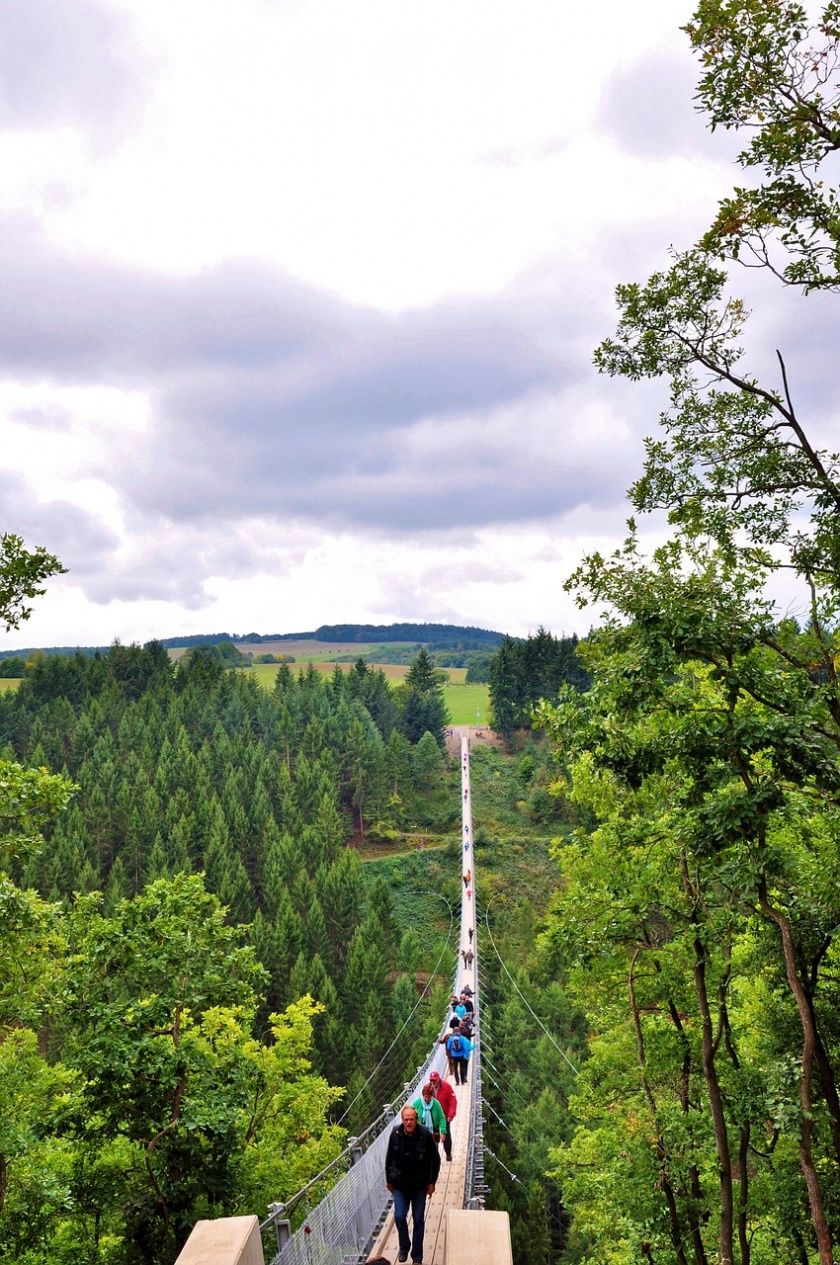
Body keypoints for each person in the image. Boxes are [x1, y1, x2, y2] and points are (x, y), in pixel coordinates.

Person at [385, 1105, 440, 1265]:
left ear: (417, 1120)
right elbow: (389, 1158)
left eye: (412, 1119)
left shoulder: (425, 1134)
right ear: (402, 1120)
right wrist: (388, 1180)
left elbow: (435, 1160)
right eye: (406, 1119)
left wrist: (432, 1182)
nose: (409, 1122)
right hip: (400, 1185)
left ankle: (417, 1255)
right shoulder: (395, 1133)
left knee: (418, 1219)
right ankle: (404, 1247)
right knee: (399, 1216)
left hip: (419, 1185)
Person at [429, 1070, 456, 1161]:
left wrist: (450, 1115)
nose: (433, 1082)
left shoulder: (447, 1087)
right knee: (434, 1136)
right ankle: (435, 1157)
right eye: (431, 1080)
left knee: (446, 1135)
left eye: (434, 1080)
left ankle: (448, 1154)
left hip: (444, 1116)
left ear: (438, 1079)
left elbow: (453, 1101)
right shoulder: (428, 1088)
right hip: (433, 1117)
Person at [412, 1082, 447, 1149]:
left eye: (429, 1097)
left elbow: (442, 1118)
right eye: (425, 1097)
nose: (427, 1099)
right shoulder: (416, 1104)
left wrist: (443, 1132)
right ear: (423, 1095)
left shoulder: (436, 1104)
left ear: (432, 1096)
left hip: (433, 1133)